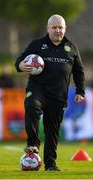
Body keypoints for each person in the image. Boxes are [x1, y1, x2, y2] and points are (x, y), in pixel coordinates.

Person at [15, 14, 85, 171]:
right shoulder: (37, 44)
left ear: (65, 28)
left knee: (52, 130)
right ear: (48, 29)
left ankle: (51, 165)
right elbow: (20, 59)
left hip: (58, 95)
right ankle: (33, 143)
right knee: (32, 105)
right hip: (38, 89)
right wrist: (20, 65)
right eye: (54, 27)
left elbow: (79, 71)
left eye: (60, 27)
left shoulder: (72, 48)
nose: (57, 30)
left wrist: (80, 90)